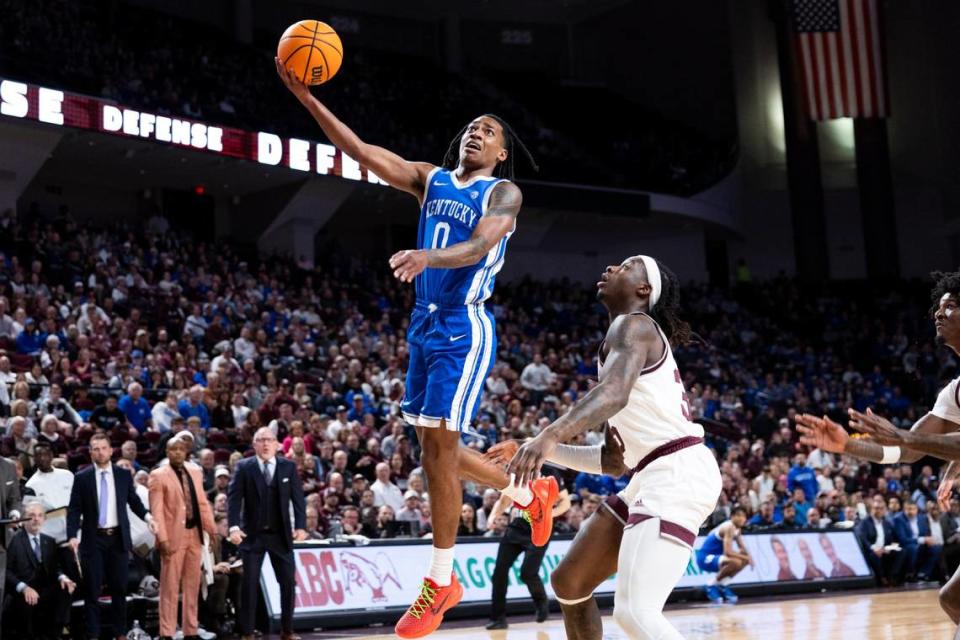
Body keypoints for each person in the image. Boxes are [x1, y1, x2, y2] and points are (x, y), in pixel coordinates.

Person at [276, 58, 554, 640]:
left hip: (463, 326)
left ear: (501, 152)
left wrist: (429, 256)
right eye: (472, 126)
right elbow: (360, 151)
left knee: (441, 454)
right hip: (424, 327)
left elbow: (480, 245)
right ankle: (528, 492)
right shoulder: (432, 179)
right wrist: (306, 98)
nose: (477, 132)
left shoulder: (502, 191)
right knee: (435, 457)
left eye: (490, 130)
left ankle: (440, 581)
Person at [505, 255, 721, 640]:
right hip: (651, 473)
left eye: (626, 266)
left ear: (644, 290)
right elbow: (612, 461)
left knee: (635, 614)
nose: (610, 268)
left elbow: (613, 394)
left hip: (676, 472)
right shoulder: (622, 345)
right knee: (570, 581)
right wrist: (537, 448)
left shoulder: (635, 326)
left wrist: (550, 435)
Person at [796, 270, 960, 619]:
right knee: (953, 599)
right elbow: (908, 450)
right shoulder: (955, 391)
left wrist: (906, 436)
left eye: (952, 307)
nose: (939, 313)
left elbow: (910, 439)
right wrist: (849, 447)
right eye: (939, 307)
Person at [66, 432, 154, 640]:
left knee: (120, 589)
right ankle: (93, 634)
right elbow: (74, 509)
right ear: (90, 453)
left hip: (118, 539)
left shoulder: (123, 475)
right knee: (92, 591)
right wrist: (71, 535)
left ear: (111, 451)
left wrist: (148, 517)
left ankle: (120, 633)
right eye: (95, 449)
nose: (100, 452)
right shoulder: (82, 478)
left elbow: (134, 502)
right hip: (93, 540)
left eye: (103, 448)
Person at [227, 427, 306, 640]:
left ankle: (287, 630)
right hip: (252, 536)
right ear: (254, 445)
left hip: (281, 536)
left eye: (269, 440)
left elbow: (298, 500)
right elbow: (233, 499)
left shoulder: (288, 467)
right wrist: (233, 527)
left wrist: (301, 526)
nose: (265, 444)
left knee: (288, 582)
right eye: (260, 440)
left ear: (277, 444)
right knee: (249, 585)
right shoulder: (244, 467)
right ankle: (247, 632)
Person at [485, 464, 570, 630]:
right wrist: (492, 517)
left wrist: (545, 515)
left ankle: (541, 602)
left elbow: (565, 503)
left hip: (539, 528)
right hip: (516, 527)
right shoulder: (516, 471)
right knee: (499, 573)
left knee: (527, 573)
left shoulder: (550, 473)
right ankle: (498, 618)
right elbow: (504, 500)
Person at [149, 438, 217, 640]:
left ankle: (191, 630)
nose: (178, 453)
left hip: (195, 533)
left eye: (181, 449)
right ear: (167, 452)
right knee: (169, 587)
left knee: (192, 585)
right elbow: (157, 510)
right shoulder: (157, 475)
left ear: (186, 451)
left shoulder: (195, 472)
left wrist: (212, 530)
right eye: (173, 449)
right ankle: (166, 632)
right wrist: (162, 538)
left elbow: (203, 503)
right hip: (172, 536)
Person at [4, 500, 76, 639]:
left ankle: (56, 634)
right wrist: (24, 588)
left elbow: (56, 568)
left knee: (66, 588)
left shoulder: (49, 540)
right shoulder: (13, 540)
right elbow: (5, 572)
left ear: (44, 518)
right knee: (27, 604)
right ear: (24, 518)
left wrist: (63, 578)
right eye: (31, 515)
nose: (36, 519)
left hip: (44, 590)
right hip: (21, 592)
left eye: (40, 515)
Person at [696, 507, 752, 604]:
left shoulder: (737, 529)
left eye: (744, 516)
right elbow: (728, 552)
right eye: (739, 515)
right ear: (732, 517)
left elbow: (742, 548)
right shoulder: (728, 527)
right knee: (736, 562)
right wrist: (746, 558)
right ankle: (710, 585)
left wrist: (749, 558)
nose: (742, 518)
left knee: (743, 561)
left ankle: (723, 585)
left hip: (717, 557)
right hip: (705, 558)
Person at [24, 442, 74, 542]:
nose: (42, 458)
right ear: (34, 458)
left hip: (73, 530)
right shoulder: (30, 485)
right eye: (38, 455)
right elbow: (32, 514)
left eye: (46, 454)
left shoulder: (67, 475)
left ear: (51, 455)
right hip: (49, 534)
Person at [854, 495, 904, 586]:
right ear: (871, 509)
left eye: (881, 508)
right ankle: (881, 578)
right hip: (872, 550)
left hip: (884, 548)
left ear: (885, 510)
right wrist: (873, 548)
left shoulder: (886, 523)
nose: (879, 511)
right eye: (876, 508)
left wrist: (892, 545)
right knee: (874, 555)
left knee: (901, 552)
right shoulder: (865, 522)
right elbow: (863, 539)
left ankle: (893, 577)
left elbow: (893, 538)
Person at [892, 499, 942, 582]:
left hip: (920, 544)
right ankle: (910, 574)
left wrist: (929, 540)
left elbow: (925, 533)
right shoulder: (898, 519)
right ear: (904, 509)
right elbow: (903, 539)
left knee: (936, 548)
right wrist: (922, 540)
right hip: (905, 545)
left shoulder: (921, 518)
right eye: (908, 509)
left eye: (913, 509)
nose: (911, 511)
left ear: (917, 509)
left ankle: (924, 573)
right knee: (914, 548)